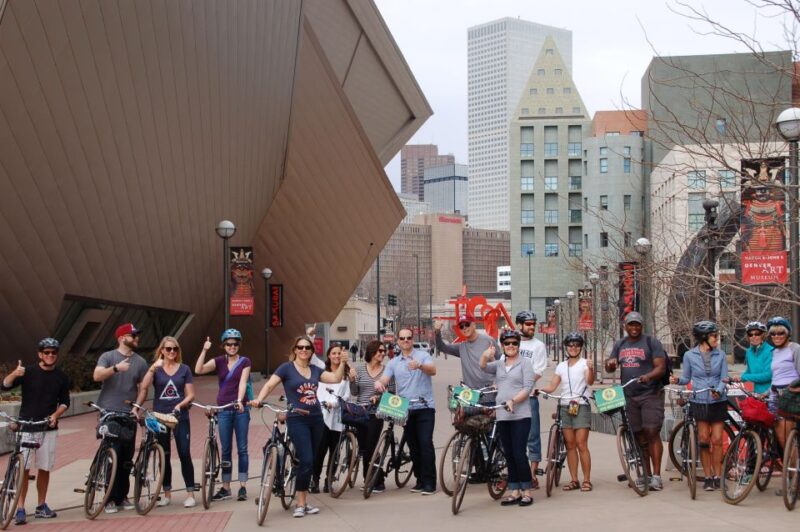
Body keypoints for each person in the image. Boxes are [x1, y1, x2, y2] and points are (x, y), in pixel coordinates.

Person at [250, 336, 345, 517]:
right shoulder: (286, 368)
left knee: (309, 461)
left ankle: (303, 498)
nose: (303, 350)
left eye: (307, 347)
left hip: (316, 419)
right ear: (295, 350)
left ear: (311, 351)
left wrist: (343, 362)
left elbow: (335, 378)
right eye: (300, 347)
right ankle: (300, 504)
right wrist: (259, 399)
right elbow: (270, 385)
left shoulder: (315, 370)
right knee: (306, 460)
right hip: (296, 419)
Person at [1, 338, 70, 524]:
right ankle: (20, 508)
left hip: (48, 428)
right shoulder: (28, 372)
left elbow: (65, 402)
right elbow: (4, 386)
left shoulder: (61, 377)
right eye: (46, 352)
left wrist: (56, 414)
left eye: (53, 353)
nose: (50, 355)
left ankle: (41, 505)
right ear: (40, 354)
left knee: (45, 468)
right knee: (23, 468)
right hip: (27, 426)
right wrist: (14, 373)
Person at [605, 311, 667, 491]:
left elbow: (661, 368)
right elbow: (610, 367)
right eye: (631, 324)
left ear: (642, 326)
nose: (634, 327)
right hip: (629, 395)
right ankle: (646, 474)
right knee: (638, 434)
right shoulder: (620, 344)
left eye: (637, 324)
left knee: (651, 431)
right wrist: (610, 364)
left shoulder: (651, 342)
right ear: (625, 326)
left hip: (650, 394)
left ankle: (657, 477)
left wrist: (648, 376)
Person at [92, 323, 149, 513]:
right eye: (133, 335)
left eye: (137, 335)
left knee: (126, 457)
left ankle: (122, 496)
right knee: (112, 454)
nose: (136, 338)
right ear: (122, 338)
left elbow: (143, 388)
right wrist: (116, 368)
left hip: (128, 414)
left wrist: (136, 407)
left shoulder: (140, 362)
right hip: (109, 411)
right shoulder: (108, 357)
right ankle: (108, 498)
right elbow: (97, 375)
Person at [375, 328, 437, 495]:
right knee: (413, 446)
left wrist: (420, 366)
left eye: (408, 338)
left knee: (425, 443)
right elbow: (385, 378)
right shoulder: (394, 362)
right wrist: (380, 383)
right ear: (398, 341)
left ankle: (430, 482)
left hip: (425, 407)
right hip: (406, 409)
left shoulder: (422, 355)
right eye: (402, 338)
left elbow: (433, 370)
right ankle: (420, 480)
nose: (405, 341)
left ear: (412, 339)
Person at [670, 321, 728, 491]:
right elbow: (686, 378)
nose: (717, 339)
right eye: (714, 336)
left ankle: (718, 476)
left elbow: (724, 378)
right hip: (699, 400)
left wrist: (718, 390)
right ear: (704, 338)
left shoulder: (721, 355)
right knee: (703, 439)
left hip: (718, 401)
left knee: (717, 440)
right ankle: (708, 477)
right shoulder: (689, 355)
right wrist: (677, 380)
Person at [480, 329, 535, 506]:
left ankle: (527, 490)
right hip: (503, 415)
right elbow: (483, 367)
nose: (511, 346)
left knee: (519, 453)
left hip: (520, 415)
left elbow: (527, 388)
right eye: (507, 343)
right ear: (502, 345)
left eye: (514, 343)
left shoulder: (525, 363)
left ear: (518, 345)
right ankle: (514, 490)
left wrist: (513, 400)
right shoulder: (499, 364)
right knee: (509, 454)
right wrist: (485, 355)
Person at [195, 329, 251, 502]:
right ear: (224, 345)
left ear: (239, 345)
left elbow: (243, 383)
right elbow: (198, 370)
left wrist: (240, 400)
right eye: (228, 344)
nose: (232, 347)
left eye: (235, 344)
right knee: (226, 449)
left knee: (242, 448)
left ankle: (242, 486)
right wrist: (204, 350)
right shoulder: (218, 361)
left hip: (240, 409)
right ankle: (226, 487)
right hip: (224, 408)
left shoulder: (245, 361)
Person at [140, 336, 196, 507]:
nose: (172, 352)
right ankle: (167, 493)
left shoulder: (184, 369)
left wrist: (180, 405)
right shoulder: (156, 369)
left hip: (179, 417)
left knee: (184, 453)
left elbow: (191, 394)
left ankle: (190, 493)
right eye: (168, 349)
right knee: (164, 455)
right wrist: (153, 367)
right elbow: (143, 386)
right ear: (162, 351)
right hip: (160, 417)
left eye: (175, 349)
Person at [537, 332, 594, 492]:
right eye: (570, 345)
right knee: (570, 445)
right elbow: (552, 386)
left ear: (581, 347)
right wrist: (539, 390)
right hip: (565, 406)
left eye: (577, 345)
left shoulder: (584, 363)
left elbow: (590, 381)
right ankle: (574, 480)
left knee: (581, 444)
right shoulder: (561, 366)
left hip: (581, 405)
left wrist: (591, 368)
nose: (573, 348)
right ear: (566, 347)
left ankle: (587, 480)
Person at [311, 344, 356, 493]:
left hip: (337, 418)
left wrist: (334, 403)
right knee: (320, 451)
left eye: (339, 353)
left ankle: (329, 480)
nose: (336, 356)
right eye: (334, 353)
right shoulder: (321, 370)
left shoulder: (346, 375)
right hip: (321, 417)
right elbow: (311, 356)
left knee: (335, 451)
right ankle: (315, 480)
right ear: (329, 356)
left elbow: (347, 396)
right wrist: (310, 337)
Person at [350, 340, 394, 492]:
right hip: (361, 412)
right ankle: (369, 479)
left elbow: (392, 392)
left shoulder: (387, 371)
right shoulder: (360, 369)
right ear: (372, 352)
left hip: (377, 412)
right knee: (364, 448)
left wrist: (378, 397)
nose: (383, 353)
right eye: (380, 351)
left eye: (384, 351)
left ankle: (376, 481)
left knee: (371, 446)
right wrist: (352, 380)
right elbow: (355, 392)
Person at [515, 310, 548, 486]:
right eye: (528, 324)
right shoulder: (511, 342)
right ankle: (513, 474)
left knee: (532, 436)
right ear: (519, 325)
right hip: (511, 398)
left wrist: (523, 385)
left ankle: (532, 475)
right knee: (511, 437)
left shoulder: (538, 346)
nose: (531, 327)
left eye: (533, 324)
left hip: (529, 398)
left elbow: (538, 371)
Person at [764, 316, 800, 452]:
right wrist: (766, 392)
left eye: (780, 333)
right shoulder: (774, 352)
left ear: (788, 334)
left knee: (787, 437)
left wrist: (792, 388)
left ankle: (794, 465)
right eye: (773, 333)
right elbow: (776, 377)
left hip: (791, 396)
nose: (776, 336)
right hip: (775, 395)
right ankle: (789, 465)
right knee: (781, 439)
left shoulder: (795, 348)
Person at [434, 315, 497, 390]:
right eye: (461, 326)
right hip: (470, 392)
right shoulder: (461, 347)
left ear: (474, 325)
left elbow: (502, 362)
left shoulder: (488, 341)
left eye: (467, 324)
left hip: (489, 390)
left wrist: (498, 383)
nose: (464, 328)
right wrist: (437, 331)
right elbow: (441, 347)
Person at [738, 321, 773, 394]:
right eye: (750, 334)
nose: (753, 336)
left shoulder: (770, 351)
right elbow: (749, 371)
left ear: (762, 335)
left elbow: (768, 375)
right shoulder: (749, 352)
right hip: (757, 393)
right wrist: (739, 378)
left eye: (757, 334)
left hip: (770, 394)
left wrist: (744, 377)